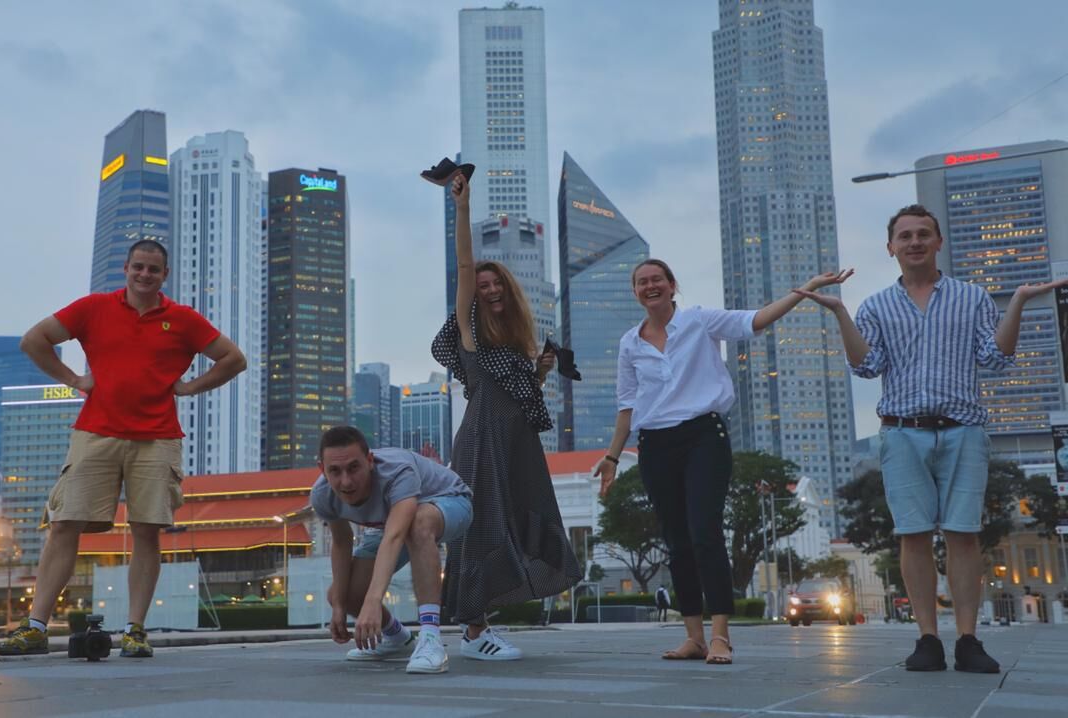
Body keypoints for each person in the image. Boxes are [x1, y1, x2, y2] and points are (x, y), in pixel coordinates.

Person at [794, 204, 1066, 673]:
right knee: (913, 535)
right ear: (891, 247)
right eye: (905, 236)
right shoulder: (876, 305)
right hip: (903, 433)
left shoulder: (971, 297)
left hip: (963, 431)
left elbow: (996, 358)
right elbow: (866, 366)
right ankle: (927, 639)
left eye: (923, 234)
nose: (915, 242)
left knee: (964, 534)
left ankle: (968, 639)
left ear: (939, 242)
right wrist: (840, 312)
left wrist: (1018, 302)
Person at [0, 239, 247, 658]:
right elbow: (33, 340)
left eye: (153, 269)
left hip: (158, 438)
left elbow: (233, 359)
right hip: (96, 431)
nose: (145, 274)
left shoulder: (183, 319)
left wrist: (189, 388)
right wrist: (74, 379)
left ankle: (135, 630)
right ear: (126, 269)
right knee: (63, 524)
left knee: (147, 530)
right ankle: (36, 626)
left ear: (165, 275)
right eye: (138, 267)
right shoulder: (93, 308)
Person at [596, 258, 851, 665]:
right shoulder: (631, 343)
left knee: (705, 532)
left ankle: (720, 636)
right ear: (635, 292)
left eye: (657, 279)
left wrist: (804, 290)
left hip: (703, 436)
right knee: (677, 541)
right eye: (642, 282)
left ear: (672, 284)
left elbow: (756, 320)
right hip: (655, 444)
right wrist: (612, 456)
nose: (650, 286)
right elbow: (627, 405)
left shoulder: (698, 321)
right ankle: (693, 637)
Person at [431, 172, 582, 661]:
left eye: (497, 283)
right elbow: (464, 262)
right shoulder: (470, 332)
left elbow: (521, 396)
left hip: (517, 444)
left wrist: (540, 371)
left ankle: (480, 625)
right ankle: (474, 631)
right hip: (483, 440)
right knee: (483, 528)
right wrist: (462, 206)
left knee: (516, 520)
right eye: (483, 286)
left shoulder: (515, 343)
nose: (491, 289)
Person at [313, 426, 473, 674]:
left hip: (450, 502)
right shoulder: (322, 494)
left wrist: (373, 601)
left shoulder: (397, 471)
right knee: (342, 594)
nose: (346, 482)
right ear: (322, 469)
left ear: (370, 460)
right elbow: (342, 542)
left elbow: (395, 536)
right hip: (391, 525)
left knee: (418, 523)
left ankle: (430, 638)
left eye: (354, 468)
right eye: (335, 471)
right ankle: (398, 638)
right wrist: (339, 606)